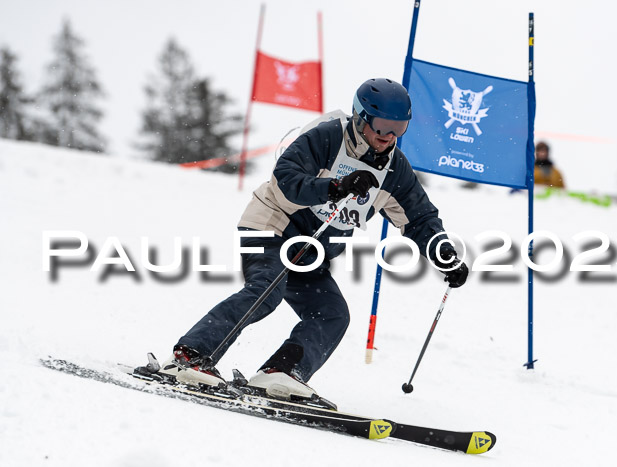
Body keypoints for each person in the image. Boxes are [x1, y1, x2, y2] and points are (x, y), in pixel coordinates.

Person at [160, 78, 470, 400]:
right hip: (271, 226)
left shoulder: (394, 171)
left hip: (311, 252)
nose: (389, 136)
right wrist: (334, 187)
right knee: (266, 289)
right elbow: (286, 179)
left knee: (332, 313)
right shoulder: (327, 137)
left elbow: (419, 218)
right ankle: (189, 355)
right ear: (361, 117)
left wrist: (443, 253)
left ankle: (282, 372)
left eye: (399, 128)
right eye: (382, 126)